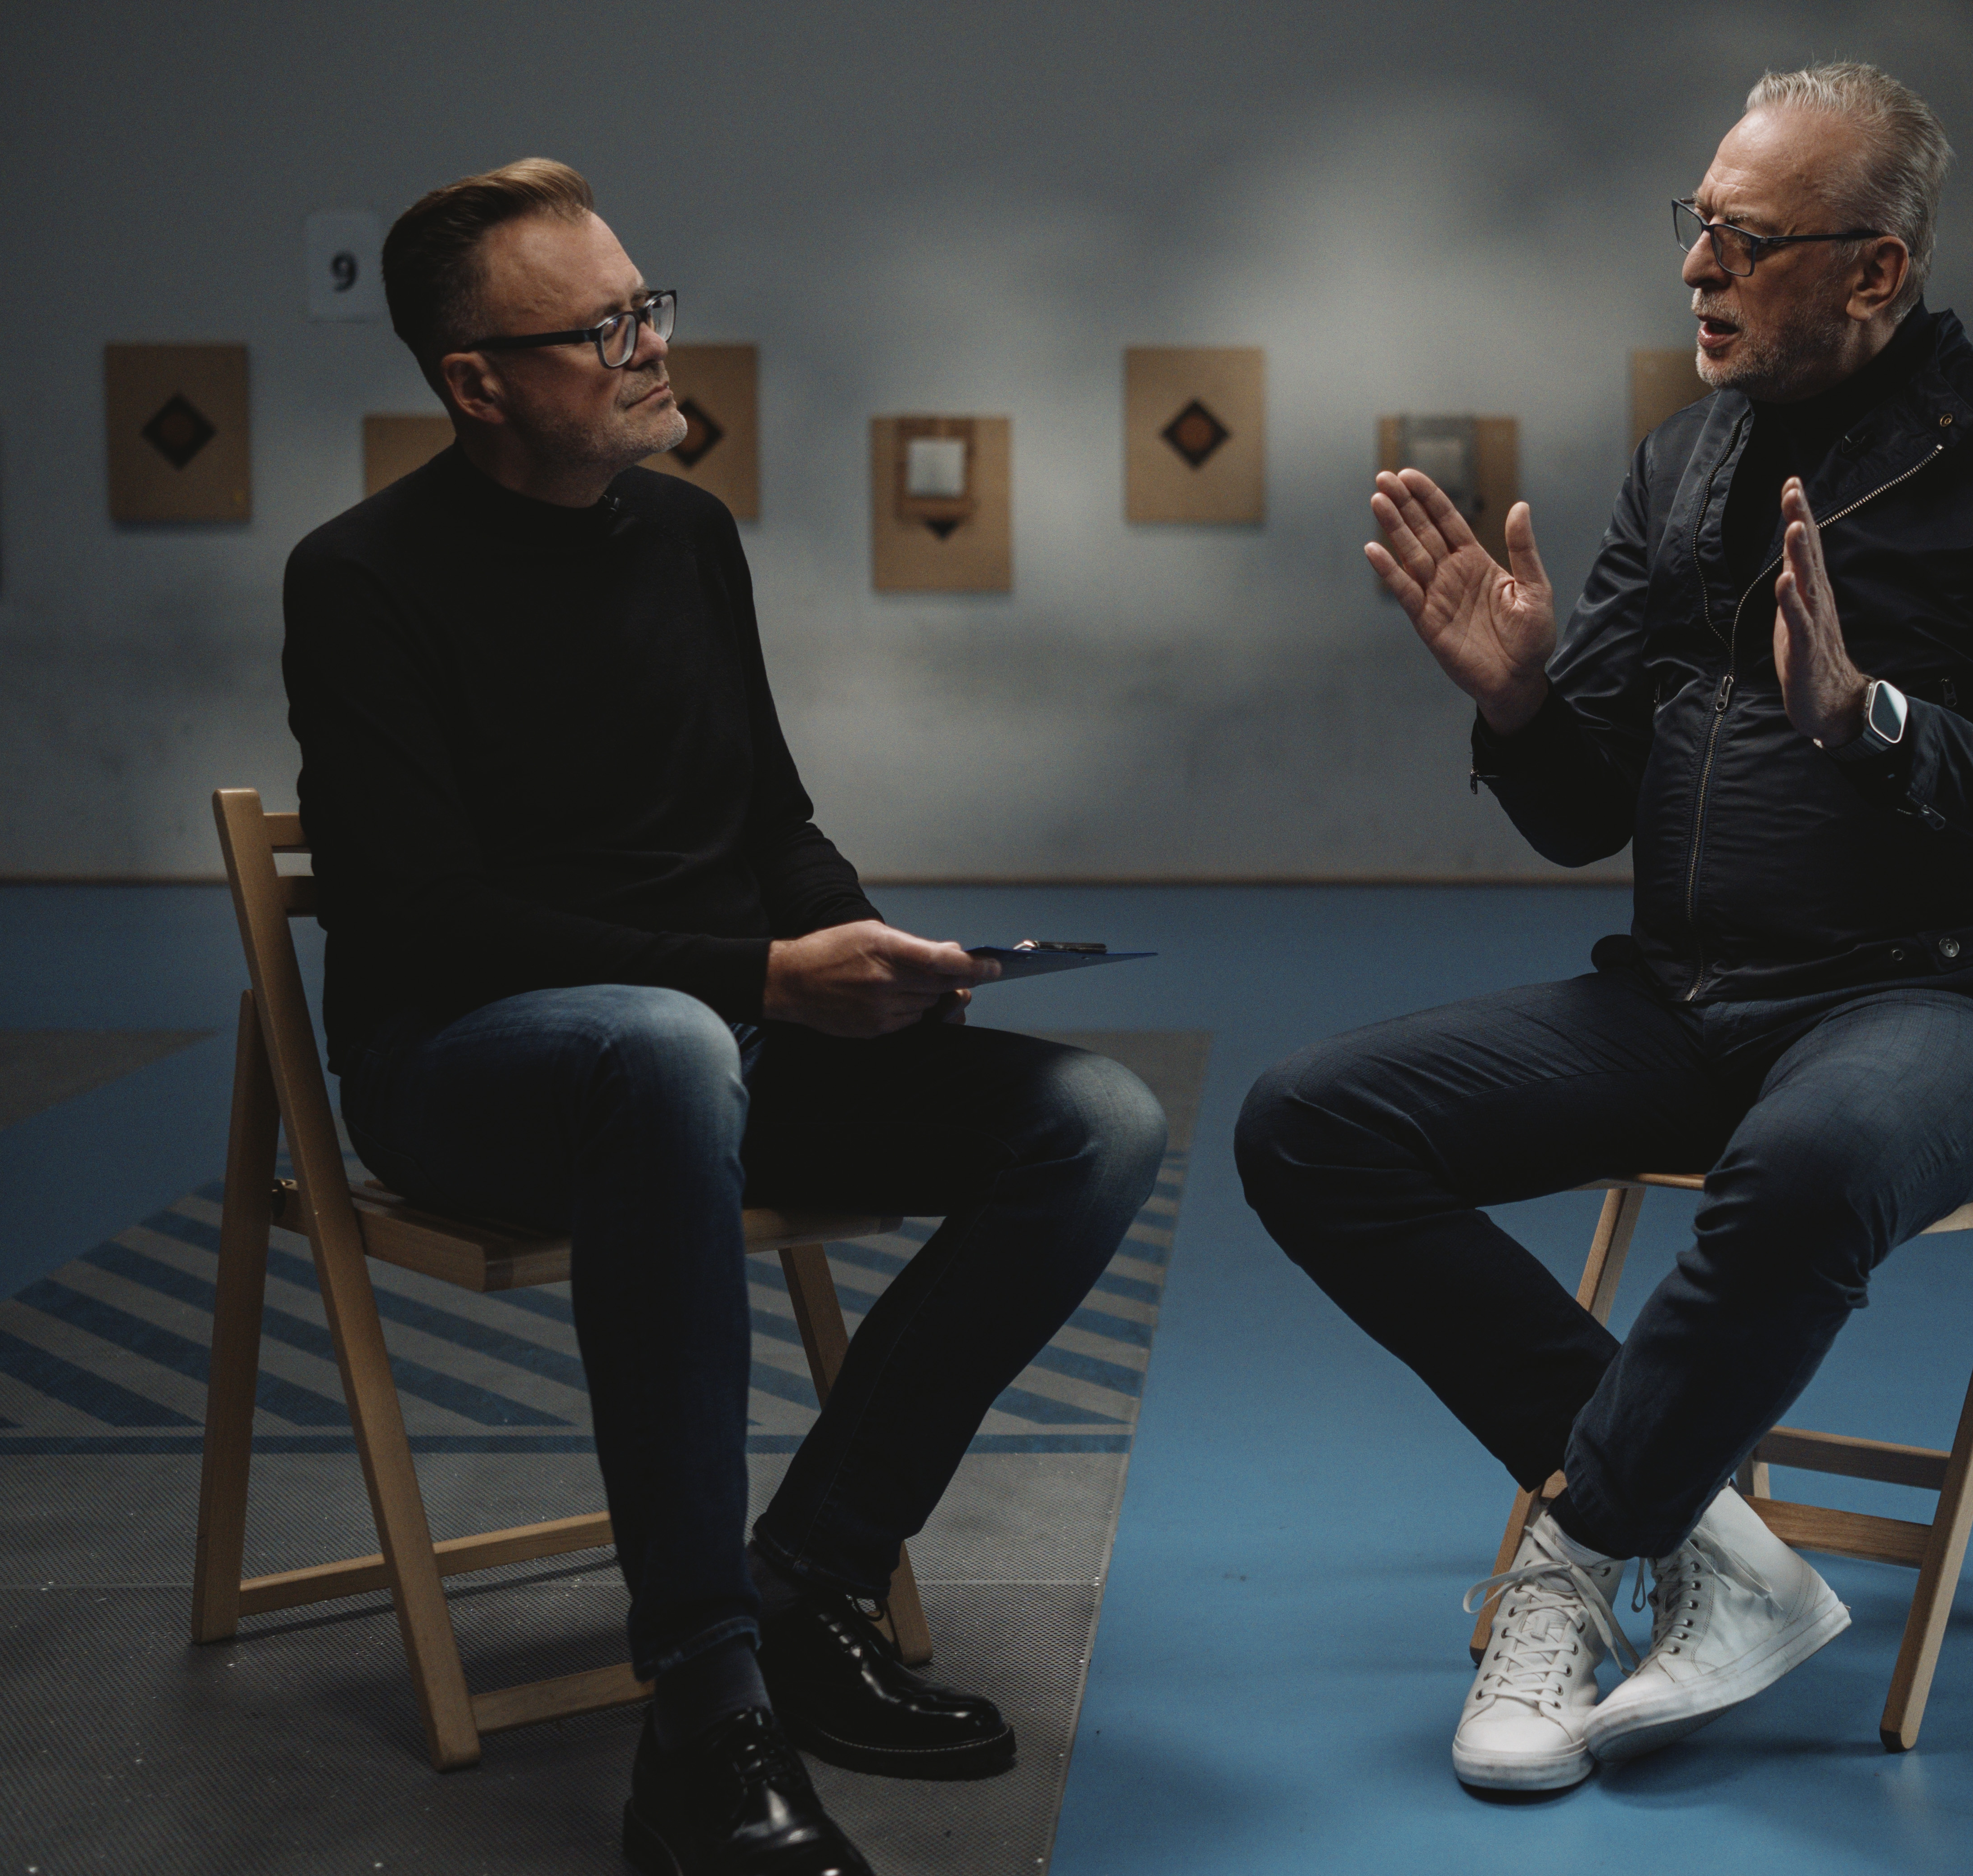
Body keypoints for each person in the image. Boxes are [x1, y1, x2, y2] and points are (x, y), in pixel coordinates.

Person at [1235, 64, 1973, 1792]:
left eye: (1745, 237)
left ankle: (1576, 1560)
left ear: (1875, 269)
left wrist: (1874, 725)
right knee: (1309, 1125)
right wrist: (1520, 703)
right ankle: (1715, 1544)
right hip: (1687, 998)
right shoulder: (1686, 459)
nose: (1696, 267)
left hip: (1946, 1003)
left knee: (1807, 1163)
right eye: (1697, 225)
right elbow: (1584, 811)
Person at [283, 158, 1167, 1876]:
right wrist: (760, 983)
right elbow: (425, 916)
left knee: (1096, 1124)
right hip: (468, 1067)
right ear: (475, 383)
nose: (652, 349)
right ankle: (704, 1709)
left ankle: (807, 1581)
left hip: (707, 1050)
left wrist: (866, 947)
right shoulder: (362, 576)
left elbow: (766, 820)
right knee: (666, 1045)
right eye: (602, 328)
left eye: (649, 308)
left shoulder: (688, 536)